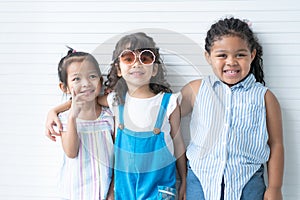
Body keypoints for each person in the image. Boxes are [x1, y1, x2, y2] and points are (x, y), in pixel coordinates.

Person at [45, 32, 187, 199]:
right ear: (119, 69)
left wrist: (184, 179)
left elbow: (178, 144)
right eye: (128, 58)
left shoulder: (169, 103)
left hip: (158, 191)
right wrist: (54, 110)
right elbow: (86, 97)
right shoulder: (115, 101)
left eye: (145, 58)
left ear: (154, 68)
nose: (136, 64)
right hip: (123, 191)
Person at [180, 17, 284, 200]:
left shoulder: (265, 97)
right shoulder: (195, 90)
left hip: (248, 182)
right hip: (200, 180)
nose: (231, 62)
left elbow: (275, 144)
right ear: (208, 57)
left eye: (240, 55)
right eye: (222, 55)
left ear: (252, 55)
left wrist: (275, 187)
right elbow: (165, 113)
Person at [54, 48, 114, 200]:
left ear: (101, 81)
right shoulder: (64, 118)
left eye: (92, 76)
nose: (86, 83)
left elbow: (118, 156)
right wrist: (73, 117)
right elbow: (71, 152)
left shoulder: (109, 117)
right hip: (75, 194)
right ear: (64, 87)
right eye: (76, 79)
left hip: (104, 193)